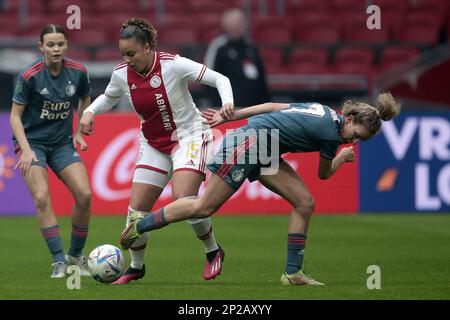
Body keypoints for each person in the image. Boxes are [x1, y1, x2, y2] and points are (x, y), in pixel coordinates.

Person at [120, 92, 401, 285]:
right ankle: (139, 225)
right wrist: (340, 158)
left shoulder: (325, 111)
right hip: (251, 145)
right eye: (356, 136)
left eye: (360, 141)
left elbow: (272, 105)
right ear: (350, 120)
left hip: (264, 148)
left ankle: (293, 273)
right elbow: (324, 174)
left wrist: (232, 116)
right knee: (203, 206)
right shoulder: (331, 134)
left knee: (305, 203)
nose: (353, 141)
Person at [79, 18, 235, 284]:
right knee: (136, 211)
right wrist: (90, 111)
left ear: (148, 47)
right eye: (123, 54)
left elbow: (220, 78)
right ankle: (136, 267)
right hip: (153, 143)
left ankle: (212, 250)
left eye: (131, 53)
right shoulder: (121, 74)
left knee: (184, 198)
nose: (127, 59)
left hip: (190, 137)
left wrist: (228, 102)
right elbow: (109, 96)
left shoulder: (174, 65)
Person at [9, 24, 92, 278]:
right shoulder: (29, 76)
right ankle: (59, 261)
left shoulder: (78, 72)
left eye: (60, 44)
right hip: (32, 144)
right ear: (41, 47)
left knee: (85, 194)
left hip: (62, 143)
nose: (56, 49)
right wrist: (25, 150)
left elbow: (85, 99)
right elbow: (14, 117)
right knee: (42, 198)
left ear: (66, 45)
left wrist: (79, 130)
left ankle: (75, 257)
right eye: (51, 44)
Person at [204, 8, 270, 108]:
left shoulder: (250, 46)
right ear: (227, 25)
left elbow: (261, 77)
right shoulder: (218, 47)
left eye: (243, 22)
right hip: (228, 108)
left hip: (254, 107)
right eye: (239, 22)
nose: (244, 25)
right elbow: (208, 77)